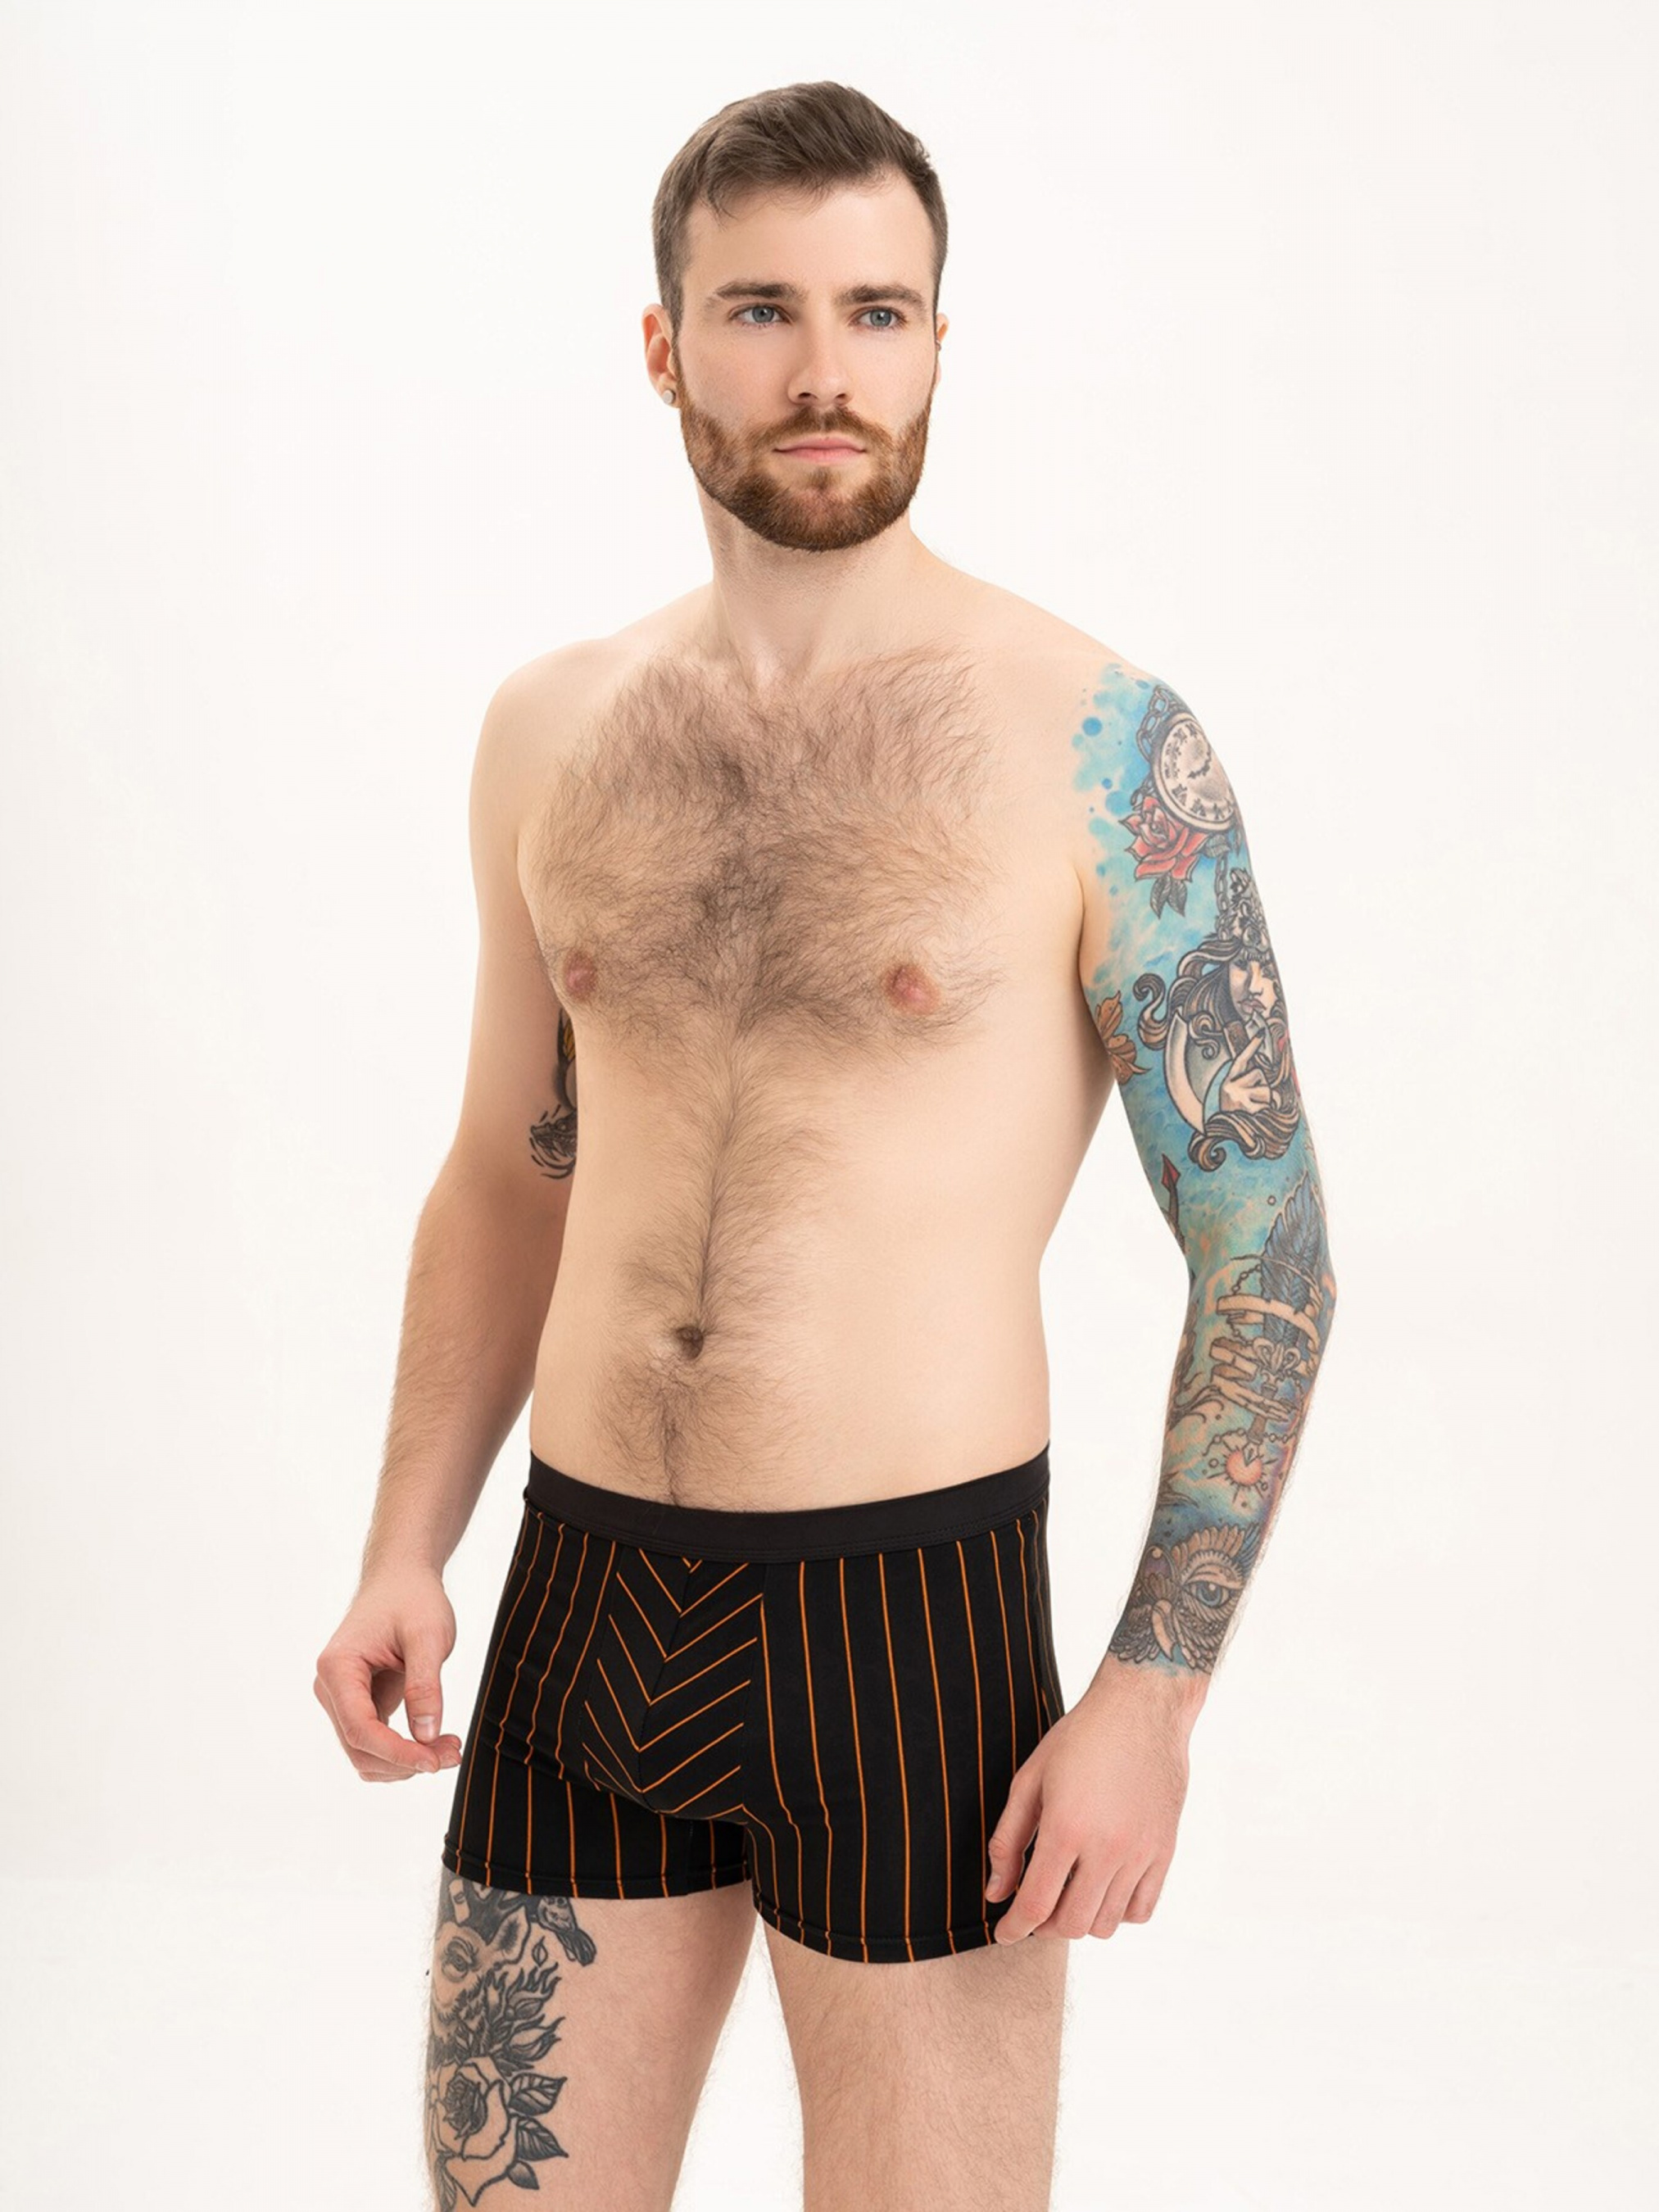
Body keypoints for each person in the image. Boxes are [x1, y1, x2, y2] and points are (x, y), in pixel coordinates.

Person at [313, 77, 1339, 2212]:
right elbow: (510, 1166)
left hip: (912, 1635)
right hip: (582, 1604)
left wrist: (1149, 1697)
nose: (821, 371)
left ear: (938, 343)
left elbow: (1266, 1250)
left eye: (876, 312)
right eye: (760, 308)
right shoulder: (553, 730)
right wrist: (410, 1537)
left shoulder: (1097, 743)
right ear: (664, 344)